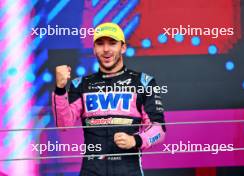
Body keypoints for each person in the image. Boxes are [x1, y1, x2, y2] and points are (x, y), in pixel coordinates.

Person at [52, 22, 166, 176]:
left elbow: (159, 129)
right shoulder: (80, 84)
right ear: (94, 49)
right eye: (100, 44)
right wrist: (60, 89)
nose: (106, 49)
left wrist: (136, 141)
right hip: (91, 171)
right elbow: (63, 124)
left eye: (112, 43)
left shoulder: (144, 82)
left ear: (123, 47)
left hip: (128, 171)